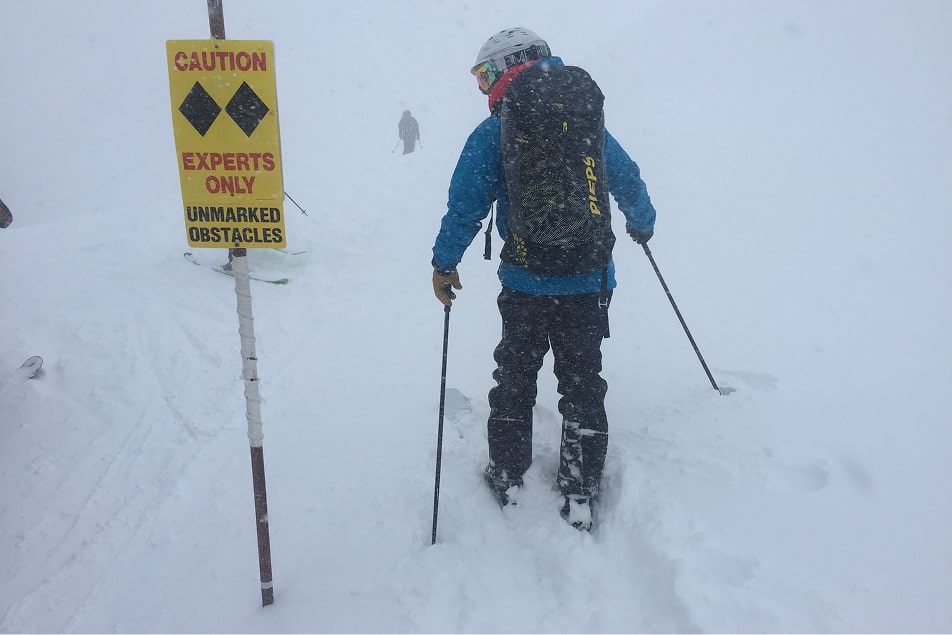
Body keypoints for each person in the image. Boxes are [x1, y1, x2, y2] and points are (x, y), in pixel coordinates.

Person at [429, 27, 657, 531]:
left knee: (514, 376)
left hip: (526, 283)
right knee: (582, 382)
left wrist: (445, 264)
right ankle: (581, 489)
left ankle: (508, 473)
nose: (485, 85)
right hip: (590, 279)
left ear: (511, 64)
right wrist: (642, 222)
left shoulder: (495, 132)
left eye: (486, 73)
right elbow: (627, 177)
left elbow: (465, 207)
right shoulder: (587, 121)